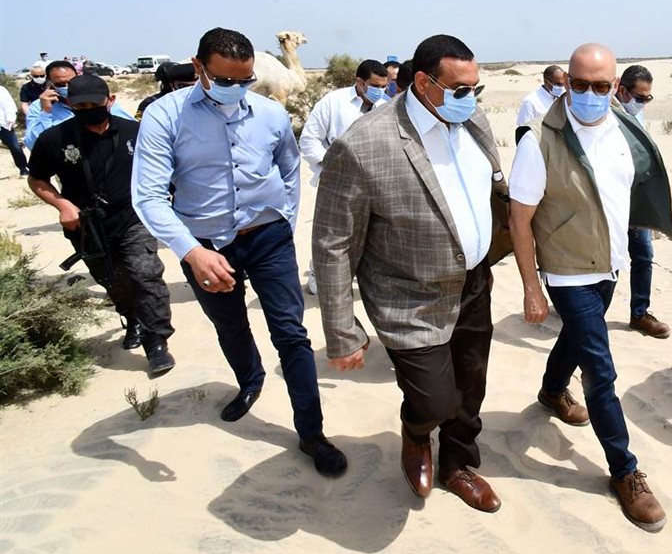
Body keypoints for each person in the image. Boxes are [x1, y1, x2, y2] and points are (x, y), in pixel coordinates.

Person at [508, 43, 672, 532]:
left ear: (615, 87)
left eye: (600, 86)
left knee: (578, 337)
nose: (589, 94)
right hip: (567, 272)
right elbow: (519, 219)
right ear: (566, 82)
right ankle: (625, 472)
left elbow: (662, 186)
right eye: (579, 84)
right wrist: (531, 288)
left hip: (610, 265)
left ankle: (551, 390)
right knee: (600, 372)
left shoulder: (626, 128)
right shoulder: (539, 140)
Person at [132, 27, 347, 477]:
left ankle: (312, 432)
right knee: (230, 325)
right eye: (224, 79)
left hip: (268, 238)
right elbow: (148, 196)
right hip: (205, 245)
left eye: (244, 80)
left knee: (291, 334)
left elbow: (289, 168)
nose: (235, 88)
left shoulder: (270, 113)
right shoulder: (165, 116)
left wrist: (285, 222)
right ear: (198, 68)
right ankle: (250, 381)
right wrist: (191, 251)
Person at [314, 34, 504, 512]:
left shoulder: (473, 119)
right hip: (408, 296)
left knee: (472, 386)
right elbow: (333, 242)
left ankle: (457, 463)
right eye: (460, 90)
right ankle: (417, 432)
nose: (471, 99)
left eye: (476, 89)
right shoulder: (363, 145)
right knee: (434, 400)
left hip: (474, 283)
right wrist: (341, 331)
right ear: (422, 82)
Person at [27, 75, 175, 374]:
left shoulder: (136, 132)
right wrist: (63, 205)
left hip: (133, 217)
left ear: (111, 101)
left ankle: (156, 340)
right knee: (111, 279)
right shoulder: (54, 139)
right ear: (70, 105)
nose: (88, 110)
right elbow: (37, 179)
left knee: (144, 275)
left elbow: (164, 167)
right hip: (86, 225)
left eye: (94, 104)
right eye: (80, 106)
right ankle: (132, 319)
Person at [298, 58, 388, 294]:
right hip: (336, 180)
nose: (380, 91)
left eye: (384, 86)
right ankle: (318, 274)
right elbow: (309, 140)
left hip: (373, 182)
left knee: (369, 233)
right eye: (375, 86)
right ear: (359, 82)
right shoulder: (333, 102)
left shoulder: (384, 107)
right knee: (332, 234)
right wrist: (333, 165)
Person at [613, 64, 669, 338]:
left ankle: (639, 314)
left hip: (637, 200)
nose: (643, 103)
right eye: (640, 98)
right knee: (606, 261)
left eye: (648, 98)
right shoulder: (606, 113)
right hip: (611, 202)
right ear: (622, 91)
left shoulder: (637, 114)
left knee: (644, 256)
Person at [24, 61, 134, 149]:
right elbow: (32, 144)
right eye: (60, 84)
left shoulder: (98, 100)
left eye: (70, 82)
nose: (66, 87)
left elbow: (131, 129)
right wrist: (46, 113)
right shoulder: (38, 107)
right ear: (50, 83)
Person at [514, 64, 566, 143]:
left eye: (563, 84)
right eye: (558, 84)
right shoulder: (530, 102)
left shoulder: (563, 98)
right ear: (546, 82)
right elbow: (524, 133)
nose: (561, 87)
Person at [0, 85, 29, 177]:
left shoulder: (1, 90)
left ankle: (23, 168)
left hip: (4, 124)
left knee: (15, 147)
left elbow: (9, 105)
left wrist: (11, 119)